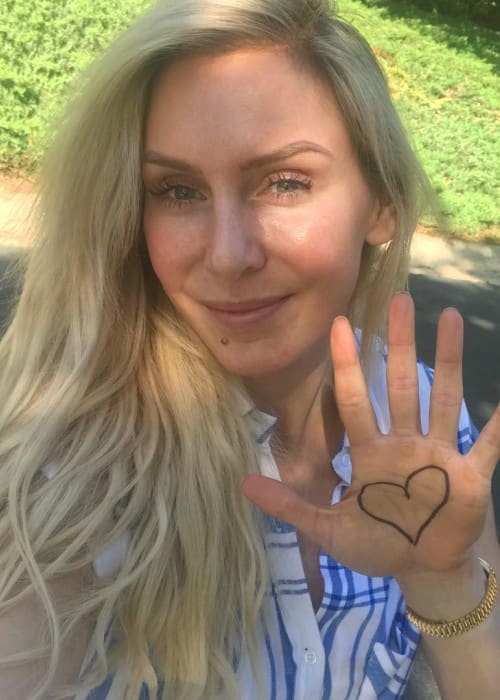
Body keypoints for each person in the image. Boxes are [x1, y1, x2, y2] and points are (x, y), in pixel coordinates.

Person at [0, 0, 498, 698]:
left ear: (381, 200)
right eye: (177, 190)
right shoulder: (66, 477)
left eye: (284, 182)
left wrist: (445, 586)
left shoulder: (428, 434)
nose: (229, 254)